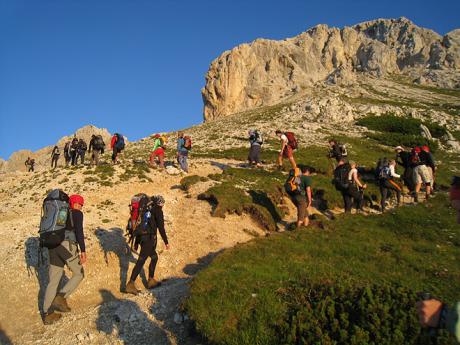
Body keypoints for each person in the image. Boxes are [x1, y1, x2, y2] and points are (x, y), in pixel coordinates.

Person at [42, 194, 87, 325]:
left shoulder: (60, 213)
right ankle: (60, 297)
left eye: (80, 205)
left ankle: (47, 314)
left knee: (53, 280)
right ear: (73, 203)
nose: (79, 207)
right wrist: (83, 250)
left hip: (52, 246)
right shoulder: (77, 214)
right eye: (78, 204)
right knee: (79, 274)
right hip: (67, 246)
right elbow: (79, 232)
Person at [125, 195, 170, 295]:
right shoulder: (158, 211)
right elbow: (161, 228)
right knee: (141, 260)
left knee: (154, 257)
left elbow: (140, 225)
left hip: (142, 237)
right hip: (148, 239)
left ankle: (151, 280)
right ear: (161, 204)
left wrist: (136, 242)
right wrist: (166, 242)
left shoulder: (147, 209)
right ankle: (130, 284)